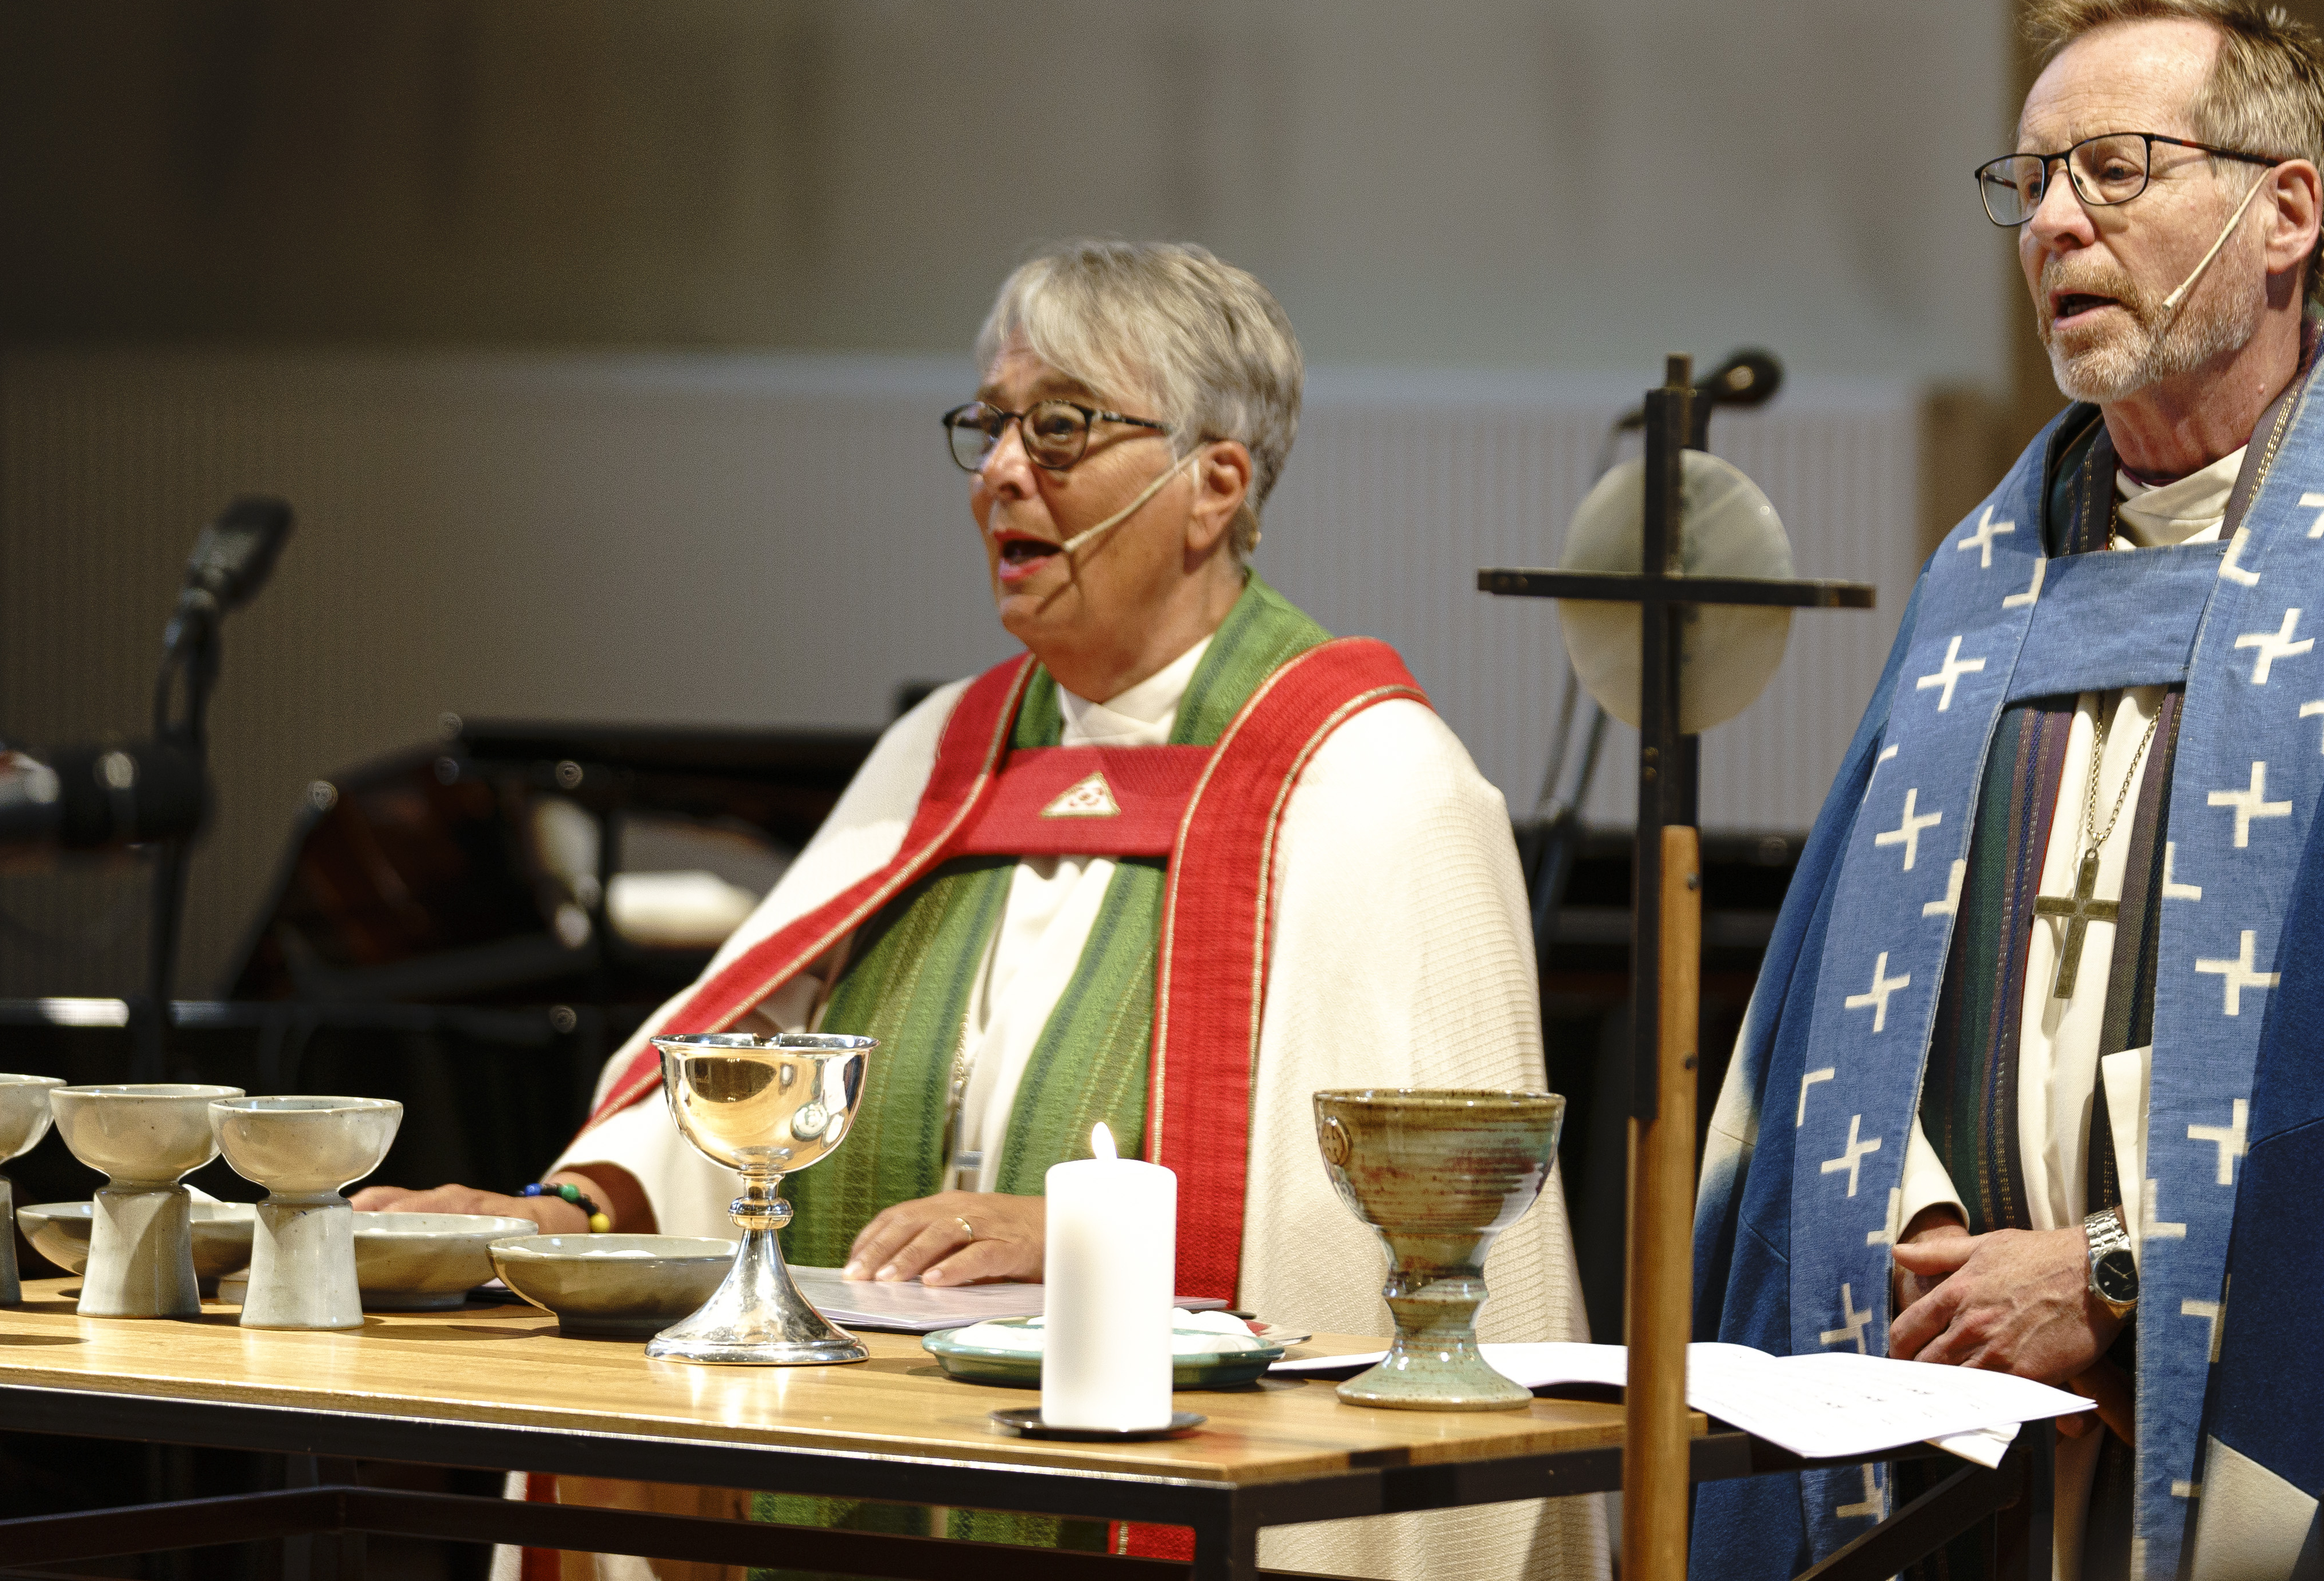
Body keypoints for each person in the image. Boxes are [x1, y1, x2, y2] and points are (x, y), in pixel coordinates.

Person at [362, 237, 1600, 1581]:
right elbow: (750, 1081)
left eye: (1060, 427)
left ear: (1213, 484)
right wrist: (575, 1216)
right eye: (991, 426)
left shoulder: (1372, 781)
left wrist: (1100, 1238)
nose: (1004, 473)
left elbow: (1399, 1247)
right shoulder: (948, 755)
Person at [1687, 0, 2324, 1581]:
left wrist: (2114, 1282)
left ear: (2282, 214)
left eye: (2114, 170)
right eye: (2029, 181)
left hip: (2256, 1480)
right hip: (1949, 1419)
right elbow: (1832, 1013)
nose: (2052, 225)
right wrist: (1920, 1246)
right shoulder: (1978, 585)